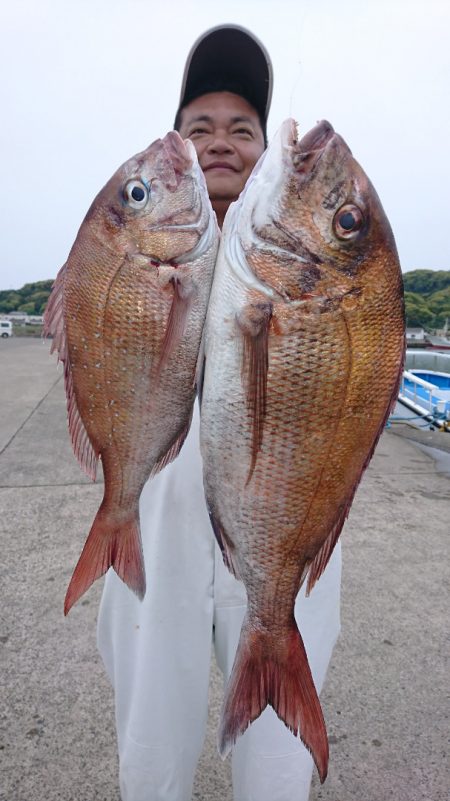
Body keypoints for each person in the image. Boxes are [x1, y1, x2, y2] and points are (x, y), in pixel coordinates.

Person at [97, 24, 342, 801]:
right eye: (199, 126)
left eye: (243, 128)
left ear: (268, 149)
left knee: (275, 773)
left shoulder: (300, 253)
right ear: (177, 140)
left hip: (285, 518)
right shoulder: (143, 240)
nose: (221, 142)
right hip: (161, 519)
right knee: (149, 752)